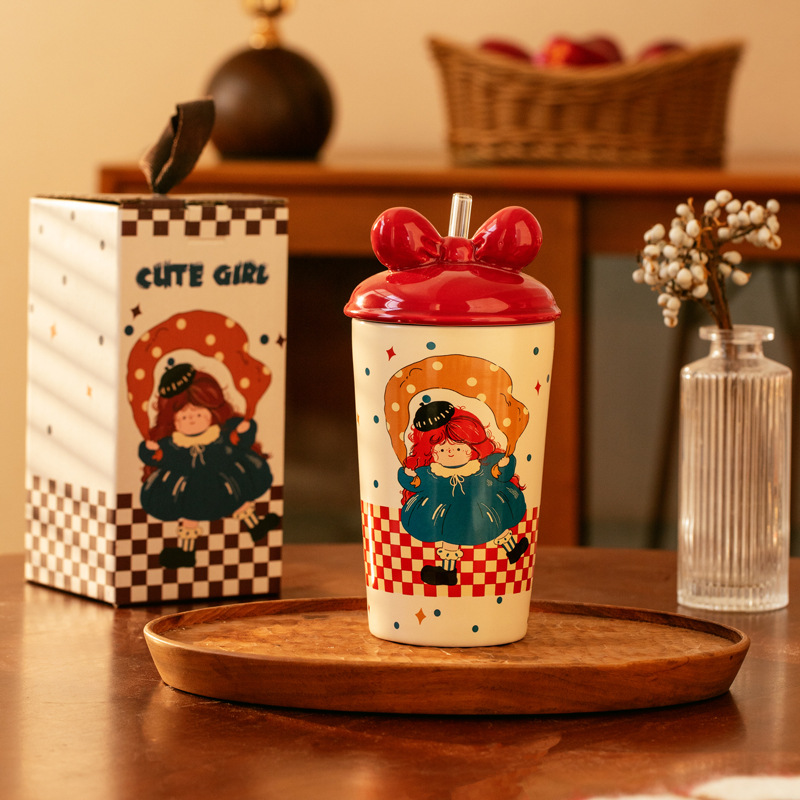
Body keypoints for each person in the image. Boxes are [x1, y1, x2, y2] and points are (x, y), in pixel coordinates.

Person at [139, 362, 277, 569]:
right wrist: (150, 450)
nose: (192, 420)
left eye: (198, 414)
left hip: (223, 484)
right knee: (189, 517)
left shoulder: (219, 435)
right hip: (190, 491)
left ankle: (256, 526)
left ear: (212, 413)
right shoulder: (173, 444)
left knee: (239, 500)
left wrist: (243, 431)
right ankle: (186, 552)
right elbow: (156, 456)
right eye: (184, 416)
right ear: (173, 421)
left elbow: (238, 440)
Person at [397, 400, 529, 586]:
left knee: (496, 525)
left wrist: (504, 465)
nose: (450, 452)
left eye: (458, 447)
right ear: (432, 452)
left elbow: (499, 474)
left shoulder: (481, 467)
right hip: (447, 514)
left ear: (471, 449)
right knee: (450, 536)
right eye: (442, 448)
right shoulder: (432, 473)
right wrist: (408, 475)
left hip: (481, 508)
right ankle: (448, 572)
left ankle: (513, 549)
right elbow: (415, 484)